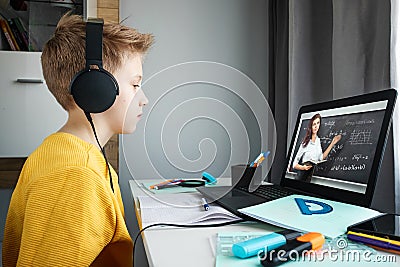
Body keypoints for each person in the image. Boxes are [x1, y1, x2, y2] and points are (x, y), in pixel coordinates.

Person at [2, 13, 153, 266]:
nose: (143, 98)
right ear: (96, 88)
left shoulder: (62, 150)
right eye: (135, 85)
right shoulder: (76, 176)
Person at [292, 113, 341, 182]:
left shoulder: (318, 141)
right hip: (301, 176)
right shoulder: (305, 143)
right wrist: (303, 167)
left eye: (317, 123)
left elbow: (321, 158)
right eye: (314, 124)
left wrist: (332, 143)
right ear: (310, 126)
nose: (316, 126)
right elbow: (294, 164)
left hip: (311, 176)